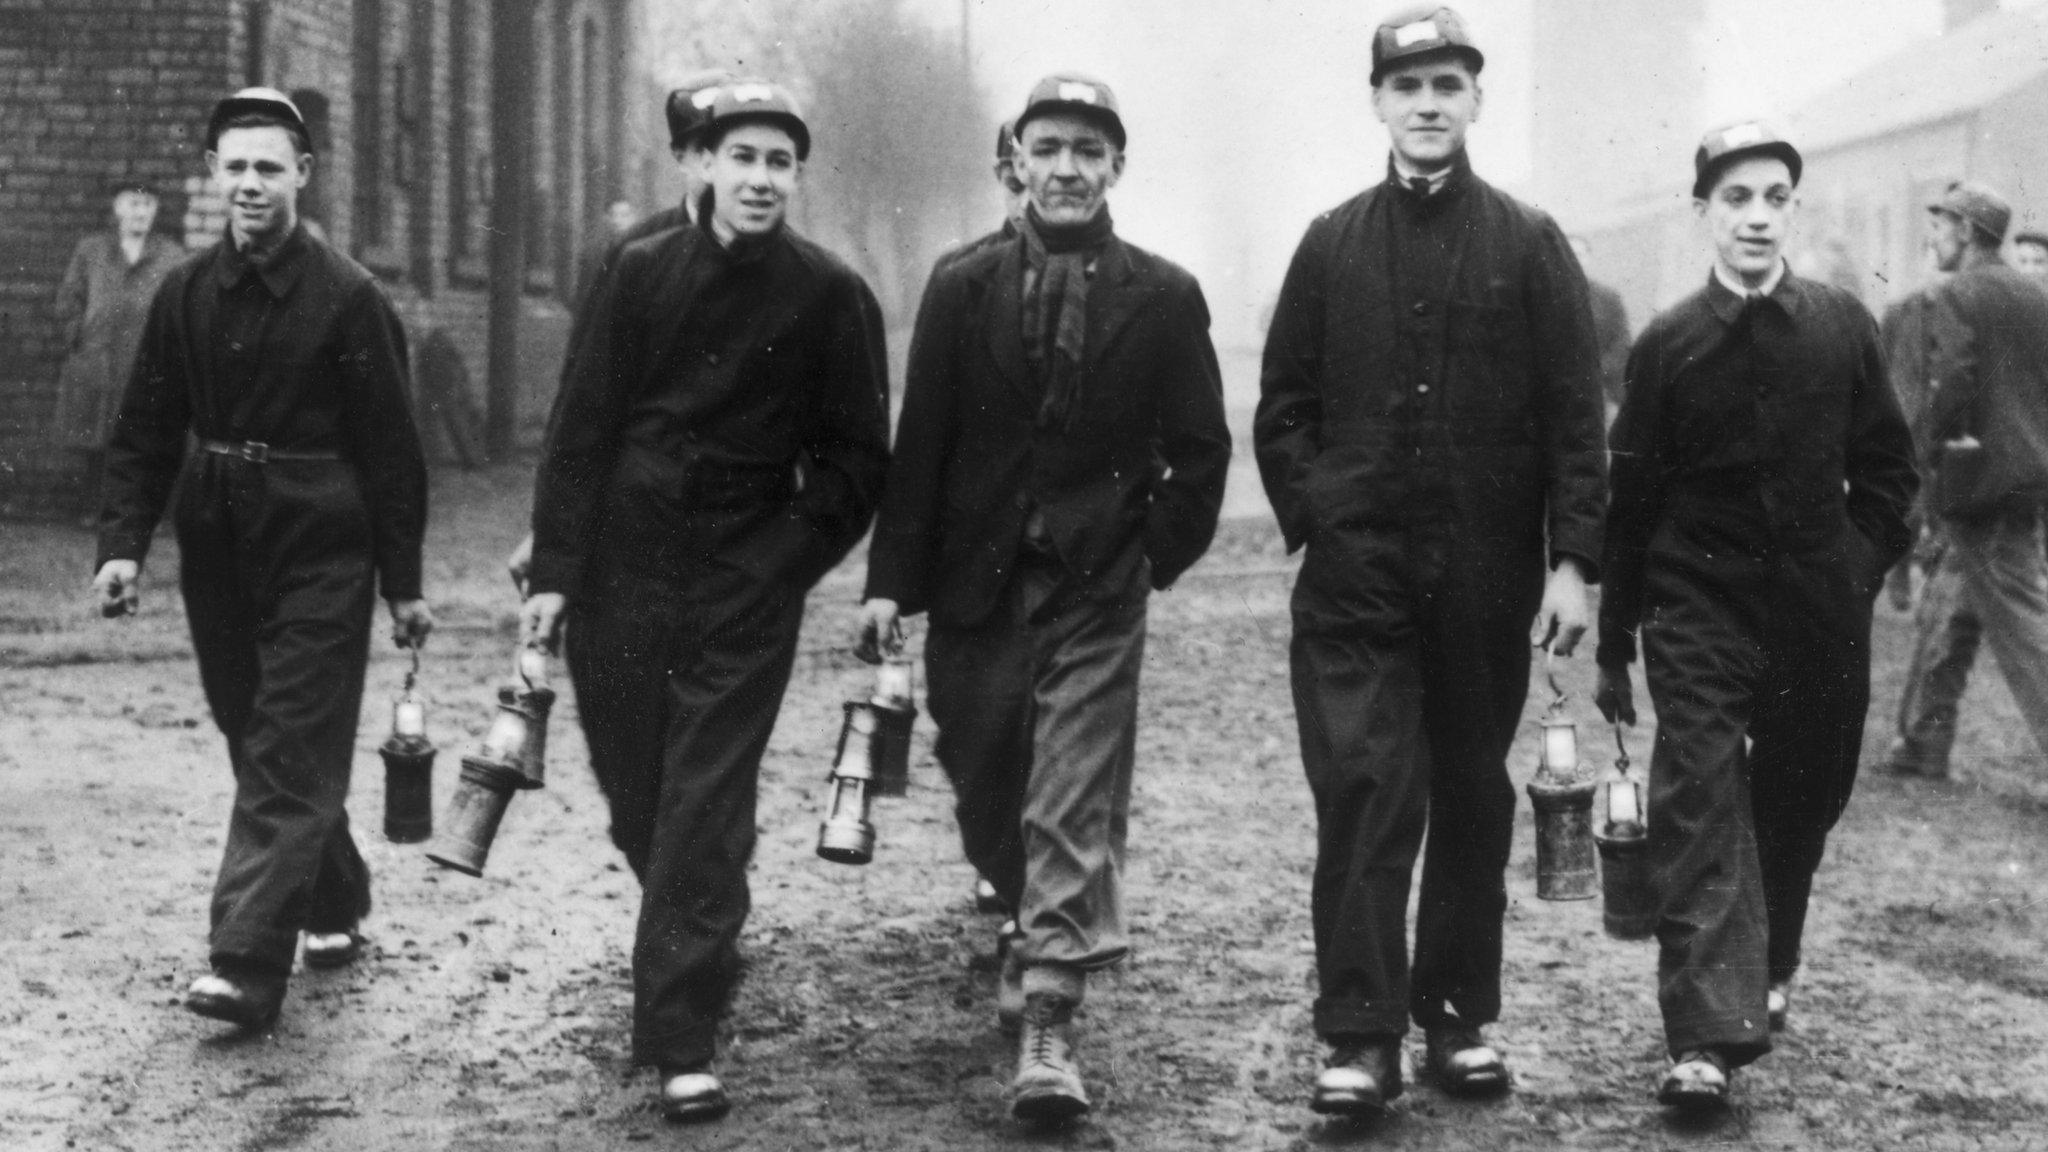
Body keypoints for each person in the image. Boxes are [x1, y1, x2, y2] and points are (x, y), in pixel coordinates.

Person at [856, 73, 1230, 1125]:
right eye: (1049, 146)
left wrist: (1145, 555)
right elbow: (920, 445)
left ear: (1116, 167)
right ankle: (1023, 909)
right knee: (983, 776)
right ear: (1016, 158)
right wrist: (891, 585)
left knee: (1069, 791)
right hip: (975, 586)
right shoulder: (958, 285)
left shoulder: (1160, 295)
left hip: (1094, 589)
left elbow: (1199, 453)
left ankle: (1050, 1024)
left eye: (1088, 150)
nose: (1067, 167)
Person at [1256, 6, 1607, 1115]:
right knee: (1363, 790)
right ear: (1375, 101)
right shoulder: (1329, 241)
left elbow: (1572, 418)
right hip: (1353, 582)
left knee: (1466, 790)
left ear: (1473, 101)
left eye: (1446, 83)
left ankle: (1456, 1017)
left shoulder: (1528, 241)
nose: (1425, 103)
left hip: (1482, 572)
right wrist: (1320, 508)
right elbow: (1283, 409)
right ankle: (1359, 1034)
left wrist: (1568, 563)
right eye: (1405, 84)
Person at [519, 80, 890, 1123]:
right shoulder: (635, 273)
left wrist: (781, 559)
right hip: (622, 576)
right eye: (743, 158)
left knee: (701, 795)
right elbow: (577, 432)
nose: (761, 179)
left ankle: (678, 1034)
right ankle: (706, 913)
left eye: (780, 162)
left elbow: (859, 461)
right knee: (640, 791)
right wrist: (555, 576)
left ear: (794, 178)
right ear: (701, 166)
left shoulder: (829, 296)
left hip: (742, 582)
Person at [92, 87, 432, 1029]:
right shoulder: (185, 293)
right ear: (213, 175)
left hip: (323, 537)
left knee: (289, 738)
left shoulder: (350, 298)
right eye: (234, 166)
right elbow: (145, 430)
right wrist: (122, 547)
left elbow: (395, 453)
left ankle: (246, 961)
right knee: (250, 725)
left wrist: (401, 583)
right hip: (218, 539)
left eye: (268, 168)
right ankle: (332, 891)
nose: (250, 185)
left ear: (303, 177)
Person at [1594, 123, 1916, 1110]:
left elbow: (1890, 480)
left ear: (1792, 209)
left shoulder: (1839, 327)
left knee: (1798, 798)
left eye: (1773, 196)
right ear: (1702, 213)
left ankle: (1767, 963)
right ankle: (1702, 1034)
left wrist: (1851, 572)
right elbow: (1632, 498)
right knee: (1695, 792)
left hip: (1815, 610)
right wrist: (1615, 639)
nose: (1755, 215)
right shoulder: (1666, 345)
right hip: (1697, 603)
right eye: (1734, 197)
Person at [507, 69, 734, 595]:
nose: (722, 166)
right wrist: (551, 532)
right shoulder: (633, 258)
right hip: (637, 520)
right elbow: (583, 408)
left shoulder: (791, 270)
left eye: (737, 150)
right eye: (707, 148)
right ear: (682, 156)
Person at [1882, 181, 2048, 780]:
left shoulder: (1957, 295)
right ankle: (1925, 740)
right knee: (1951, 607)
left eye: (1941, 226)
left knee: (2025, 629)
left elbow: (1950, 385)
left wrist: (1920, 460)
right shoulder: (2035, 298)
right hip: (2018, 482)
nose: (1933, 238)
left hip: (1978, 485)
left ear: (1967, 233)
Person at [51, 181, 183, 523]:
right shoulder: (92, 251)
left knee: (142, 439)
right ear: (117, 209)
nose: (140, 212)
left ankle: (138, 512)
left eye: (147, 205)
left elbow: (181, 305)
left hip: (145, 361)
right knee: (96, 439)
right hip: (99, 359)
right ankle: (92, 509)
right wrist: (77, 337)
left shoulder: (170, 255)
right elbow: (69, 299)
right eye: (133, 204)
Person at [1571, 234, 1632, 419]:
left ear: (1588, 257)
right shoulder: (1545, 298)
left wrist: (1596, 371)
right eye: (1569, 253)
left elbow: (1622, 342)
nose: (1575, 259)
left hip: (1603, 388)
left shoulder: (1608, 298)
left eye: (1580, 254)